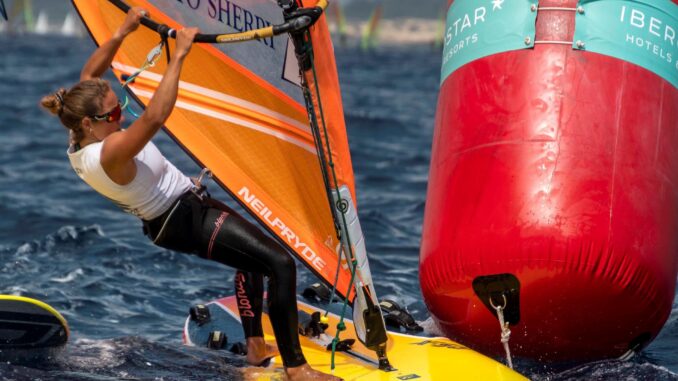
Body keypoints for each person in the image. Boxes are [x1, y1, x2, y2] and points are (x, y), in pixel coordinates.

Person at [40, 7, 341, 381]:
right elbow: (154, 117)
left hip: (178, 215)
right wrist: (179, 54)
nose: (121, 114)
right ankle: (297, 370)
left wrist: (122, 31)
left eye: (117, 108)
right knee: (280, 264)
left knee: (252, 259)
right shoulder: (109, 154)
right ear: (90, 123)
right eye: (114, 114)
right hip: (184, 220)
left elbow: (91, 74)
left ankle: (255, 347)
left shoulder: (79, 131)